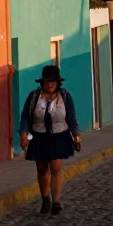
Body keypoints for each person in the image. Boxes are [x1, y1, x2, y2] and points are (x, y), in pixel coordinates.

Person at [19, 65, 82, 215]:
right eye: (47, 81)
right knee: (42, 170)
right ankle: (45, 199)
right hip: (39, 137)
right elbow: (25, 118)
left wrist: (76, 136)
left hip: (58, 136)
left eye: (53, 81)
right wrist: (23, 135)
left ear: (58, 82)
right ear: (43, 82)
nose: (50, 84)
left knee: (56, 169)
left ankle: (56, 202)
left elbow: (71, 118)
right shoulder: (34, 97)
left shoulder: (65, 97)